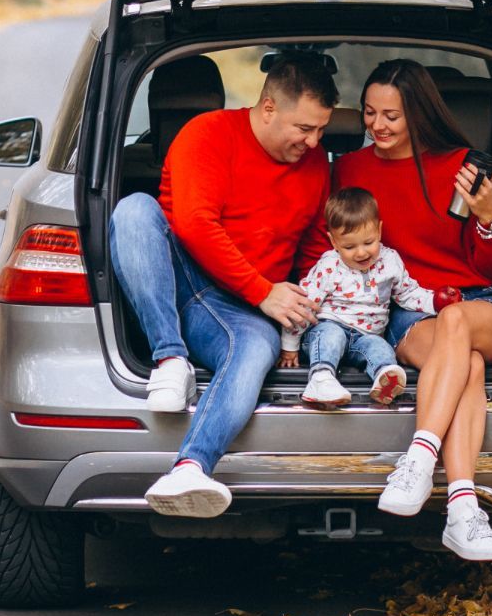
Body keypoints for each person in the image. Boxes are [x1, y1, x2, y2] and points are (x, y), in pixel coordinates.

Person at [305, 58, 492, 561]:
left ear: (418, 115)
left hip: (483, 302)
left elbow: (488, 269)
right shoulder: (351, 170)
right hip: (409, 310)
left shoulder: (464, 165)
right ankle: (464, 510)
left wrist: (488, 217)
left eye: (391, 116)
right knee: (465, 364)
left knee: (457, 321)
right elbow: (332, 244)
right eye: (369, 113)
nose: (377, 126)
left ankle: (420, 458)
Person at [108, 54, 337, 518]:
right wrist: (264, 291)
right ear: (268, 107)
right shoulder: (207, 134)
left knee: (255, 351)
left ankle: (190, 467)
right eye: (304, 128)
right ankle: (169, 358)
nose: (314, 143)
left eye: (321, 131)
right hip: (178, 275)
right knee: (133, 210)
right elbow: (194, 225)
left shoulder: (316, 167)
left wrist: (310, 310)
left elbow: (315, 249)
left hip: (241, 309)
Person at [280, 187, 427, 409]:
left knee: (380, 347)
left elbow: (408, 293)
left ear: (379, 230)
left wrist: (435, 302)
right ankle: (321, 378)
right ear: (334, 242)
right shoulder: (329, 265)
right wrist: (290, 344)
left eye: (368, 243)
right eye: (349, 247)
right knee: (330, 337)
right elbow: (304, 304)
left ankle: (385, 378)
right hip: (329, 326)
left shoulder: (390, 262)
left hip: (366, 336)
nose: (361, 253)